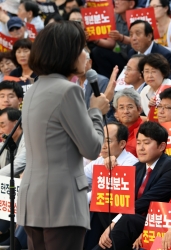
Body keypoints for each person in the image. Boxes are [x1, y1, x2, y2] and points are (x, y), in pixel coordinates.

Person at [16, 21, 110, 250]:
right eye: (81, 48)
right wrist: (96, 111)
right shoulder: (69, 90)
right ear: (67, 53)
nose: (85, 55)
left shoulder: (34, 89)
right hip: (62, 202)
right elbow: (92, 148)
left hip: (33, 198)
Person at [85, 121, 171, 250]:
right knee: (102, 205)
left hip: (155, 221)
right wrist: (112, 167)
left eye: (146, 143)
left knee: (128, 220)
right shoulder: (138, 166)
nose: (141, 148)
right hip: (133, 217)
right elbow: (121, 196)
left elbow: (147, 201)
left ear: (161, 146)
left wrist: (114, 223)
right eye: (138, 143)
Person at [84, 121, 138, 203]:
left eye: (108, 141)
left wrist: (78, 202)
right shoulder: (100, 160)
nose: (103, 146)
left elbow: (106, 192)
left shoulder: (131, 163)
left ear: (122, 144)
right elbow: (80, 179)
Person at [91, 0, 136, 78]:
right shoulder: (113, 16)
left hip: (137, 57)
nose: (116, 2)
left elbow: (140, 41)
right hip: (121, 56)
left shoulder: (139, 16)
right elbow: (111, 43)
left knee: (131, 49)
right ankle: (107, 82)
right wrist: (95, 39)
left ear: (131, 4)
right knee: (97, 51)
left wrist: (121, 38)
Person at [113, 88, 143, 156]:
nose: (125, 111)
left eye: (130, 107)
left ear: (139, 110)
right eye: (121, 107)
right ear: (116, 112)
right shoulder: (112, 132)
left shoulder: (146, 131)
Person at [0, 108, 25, 177]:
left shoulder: (29, 140)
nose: (0, 131)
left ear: (16, 124)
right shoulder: (3, 144)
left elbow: (19, 164)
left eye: (2, 126)